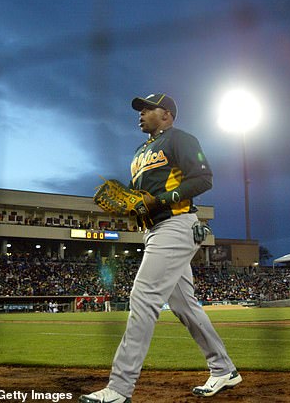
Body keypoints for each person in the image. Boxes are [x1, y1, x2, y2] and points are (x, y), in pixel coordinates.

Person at [80, 93, 241, 403]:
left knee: (143, 298)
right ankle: (224, 369)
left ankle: (119, 388)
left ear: (166, 114)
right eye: (140, 109)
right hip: (155, 231)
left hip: (177, 225)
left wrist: (161, 200)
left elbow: (204, 178)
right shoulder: (139, 152)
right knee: (185, 306)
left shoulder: (181, 139)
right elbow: (144, 199)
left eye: (147, 108)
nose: (140, 113)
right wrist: (134, 206)